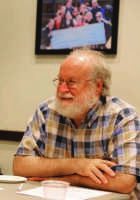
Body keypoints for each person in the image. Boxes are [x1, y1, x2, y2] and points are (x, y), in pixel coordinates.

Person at [13, 49, 140, 194]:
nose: (61, 89)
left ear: (97, 87)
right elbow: (20, 166)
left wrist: (70, 179)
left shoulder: (122, 116)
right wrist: (77, 165)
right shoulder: (47, 111)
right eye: (60, 81)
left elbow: (124, 182)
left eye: (71, 82)